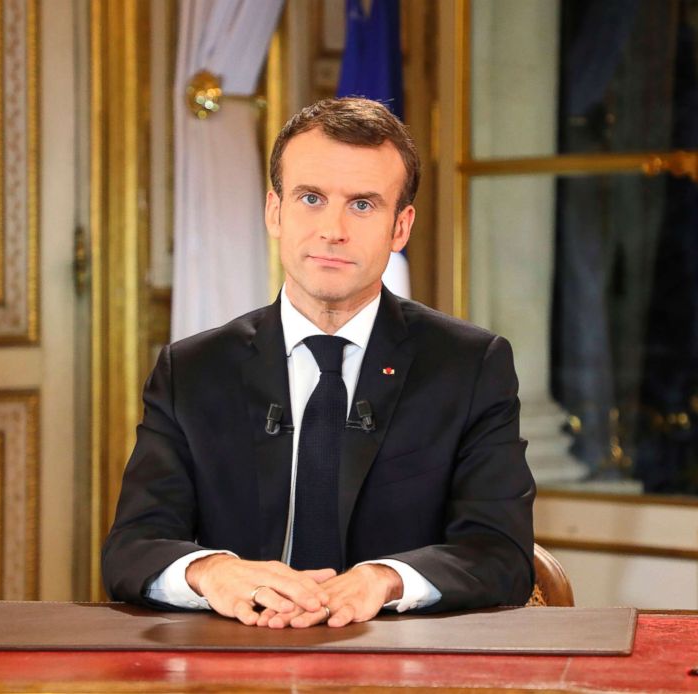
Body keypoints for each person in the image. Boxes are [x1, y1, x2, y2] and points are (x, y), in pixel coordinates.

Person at [102, 97, 535, 629]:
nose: (333, 229)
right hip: (236, 668)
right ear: (274, 211)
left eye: (362, 205)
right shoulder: (191, 369)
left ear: (400, 227)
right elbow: (131, 549)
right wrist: (212, 573)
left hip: (401, 672)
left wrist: (385, 578)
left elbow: (500, 554)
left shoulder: (470, 366)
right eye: (311, 198)